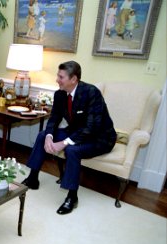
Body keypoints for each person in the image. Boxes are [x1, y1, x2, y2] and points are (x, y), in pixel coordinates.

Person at [21, 61, 116, 215]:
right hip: (76, 132)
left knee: (72, 150)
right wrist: (50, 136)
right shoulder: (60, 94)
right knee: (42, 135)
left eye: (61, 77)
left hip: (100, 138)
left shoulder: (91, 93)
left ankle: (72, 196)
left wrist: (63, 143)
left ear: (74, 79)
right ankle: (33, 178)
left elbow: (92, 127)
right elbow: (54, 118)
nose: (57, 79)